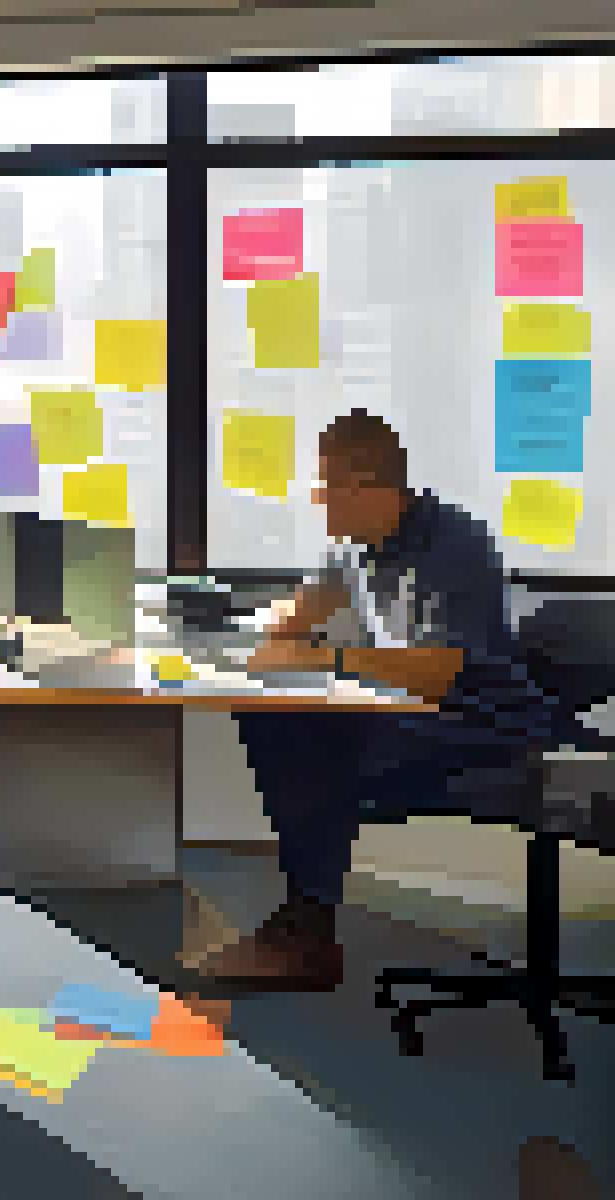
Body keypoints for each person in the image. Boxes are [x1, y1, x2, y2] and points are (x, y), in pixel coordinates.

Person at [202, 410, 554, 990]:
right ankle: (305, 919)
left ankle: (308, 932)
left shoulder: (453, 545)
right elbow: (302, 612)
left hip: (485, 726)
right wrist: (247, 630)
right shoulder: (356, 546)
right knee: (272, 717)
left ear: (374, 487)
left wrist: (326, 658)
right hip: (411, 714)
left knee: (315, 744)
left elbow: (438, 676)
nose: (318, 503)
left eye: (327, 488)